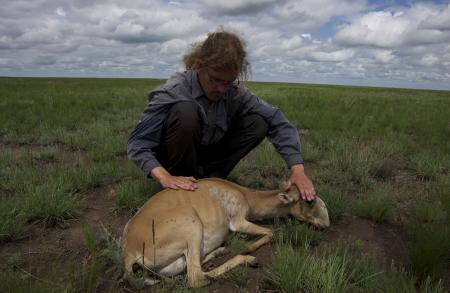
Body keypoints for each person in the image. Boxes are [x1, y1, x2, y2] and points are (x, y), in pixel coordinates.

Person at [127, 28, 316, 201]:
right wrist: (164, 176)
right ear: (199, 65)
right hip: (174, 163)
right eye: (214, 80)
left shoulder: (234, 92)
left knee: (259, 122)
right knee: (186, 112)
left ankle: (212, 178)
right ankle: (181, 188)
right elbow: (138, 144)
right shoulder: (175, 90)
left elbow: (276, 119)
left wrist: (298, 171)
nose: (221, 89)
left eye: (228, 82)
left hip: (207, 156)